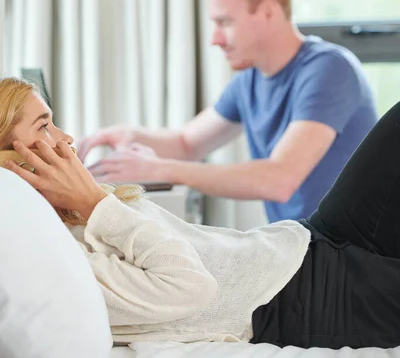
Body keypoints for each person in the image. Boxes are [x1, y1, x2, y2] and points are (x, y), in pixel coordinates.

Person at [1, 75, 400, 350]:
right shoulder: (60, 260)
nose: (65, 138)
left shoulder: (69, 213)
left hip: (302, 243)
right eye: (45, 127)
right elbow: (192, 286)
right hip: (299, 301)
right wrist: (93, 201)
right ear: (10, 162)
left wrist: (86, 201)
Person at [78, 0, 378, 222]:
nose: (215, 39)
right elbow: (187, 143)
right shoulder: (249, 80)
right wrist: (130, 134)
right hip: (305, 245)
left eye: (225, 23)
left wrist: (158, 169)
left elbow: (279, 179)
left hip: (350, 257)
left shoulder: (329, 69)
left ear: (269, 13)